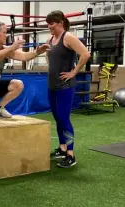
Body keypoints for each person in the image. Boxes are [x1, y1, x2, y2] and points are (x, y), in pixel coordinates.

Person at [0, 21, 50, 120]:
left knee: (18, 84)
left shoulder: (4, 49)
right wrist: (11, 47)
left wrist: (37, 52)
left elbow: (24, 57)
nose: (6, 36)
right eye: (4, 32)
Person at [45, 10, 91, 168]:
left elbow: (85, 54)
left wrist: (74, 72)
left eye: (51, 23)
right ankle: (62, 148)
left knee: (64, 119)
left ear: (60, 23)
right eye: (48, 23)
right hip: (52, 85)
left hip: (65, 86)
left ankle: (71, 154)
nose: (49, 26)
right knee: (58, 118)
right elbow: (49, 57)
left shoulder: (68, 37)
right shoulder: (50, 39)